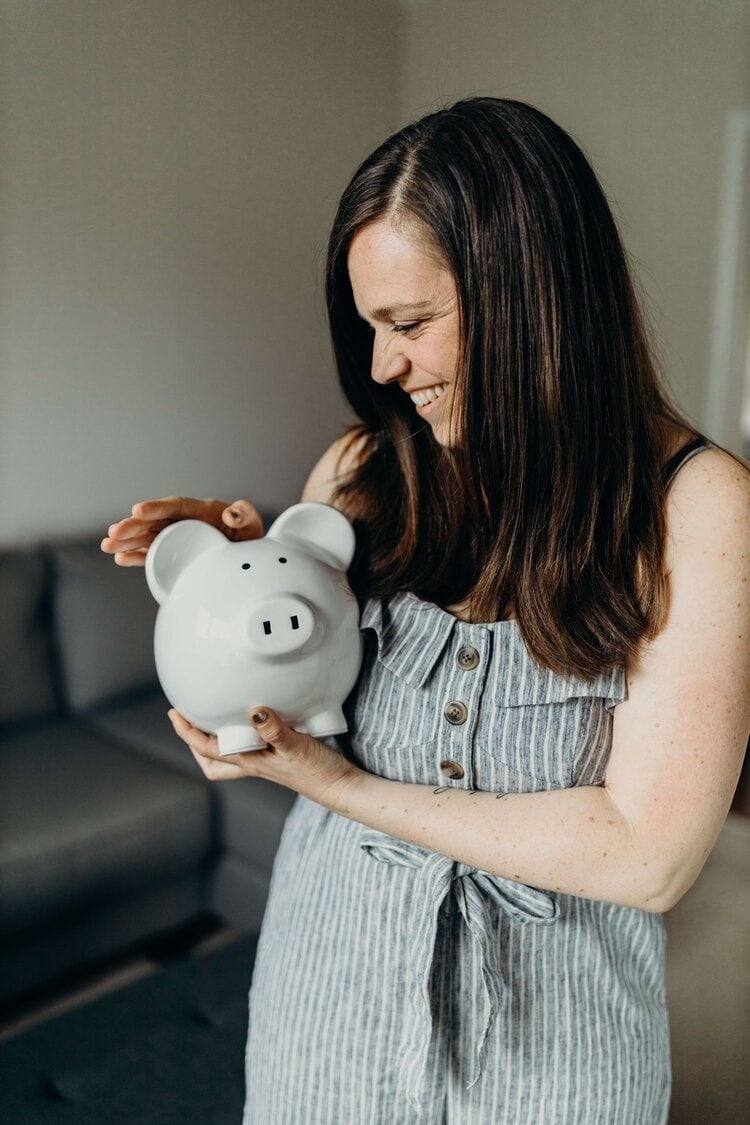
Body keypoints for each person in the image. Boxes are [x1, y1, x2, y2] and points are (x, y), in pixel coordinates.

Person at [101, 97, 750, 1124]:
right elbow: (281, 685)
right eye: (369, 328)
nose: (381, 369)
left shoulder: (700, 511)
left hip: (555, 1052)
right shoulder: (363, 469)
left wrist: (339, 785)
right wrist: (248, 570)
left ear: (537, 302)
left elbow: (648, 854)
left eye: (408, 325)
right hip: (329, 999)